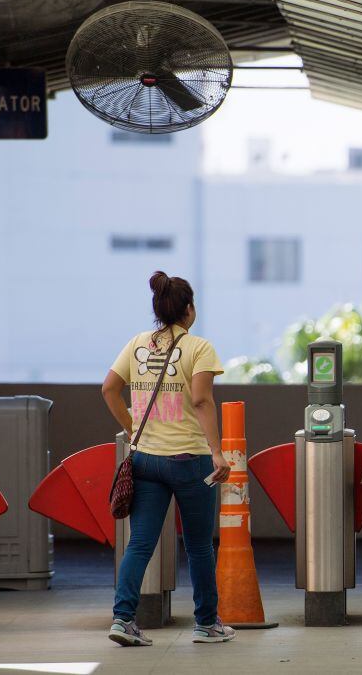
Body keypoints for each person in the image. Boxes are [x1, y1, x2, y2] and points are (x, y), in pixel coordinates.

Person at [102, 271, 233, 646]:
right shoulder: (199, 348)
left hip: (145, 459)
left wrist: (132, 429)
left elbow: (109, 389)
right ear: (189, 310)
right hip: (189, 460)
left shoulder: (138, 344)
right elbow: (201, 400)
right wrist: (217, 451)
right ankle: (207, 624)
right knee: (198, 546)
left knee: (140, 543)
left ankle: (123, 619)